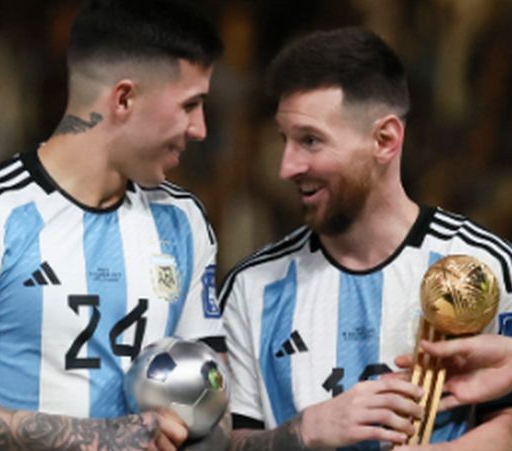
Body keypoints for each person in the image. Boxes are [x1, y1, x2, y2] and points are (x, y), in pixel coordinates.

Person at [0, 1, 229, 450]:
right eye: (190, 105)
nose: (200, 129)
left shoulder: (183, 220)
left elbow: (215, 401)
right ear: (124, 99)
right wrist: (96, 439)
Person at [219, 27, 512, 450]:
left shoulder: (483, 266)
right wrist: (307, 430)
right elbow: (225, 443)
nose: (287, 166)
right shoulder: (252, 286)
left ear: (384, 140)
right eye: (285, 140)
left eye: (310, 141)